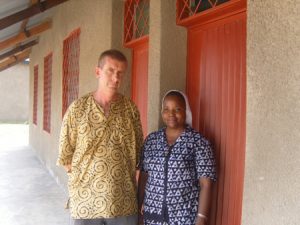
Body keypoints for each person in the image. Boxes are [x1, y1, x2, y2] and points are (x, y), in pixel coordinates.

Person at [57, 49, 144, 225]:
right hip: (86, 203)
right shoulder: (78, 109)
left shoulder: (130, 110)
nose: (116, 78)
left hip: (123, 202)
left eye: (120, 73)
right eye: (110, 71)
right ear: (98, 72)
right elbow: (65, 156)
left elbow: (139, 156)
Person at [138, 90, 217, 225]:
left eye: (177, 109)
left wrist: (201, 218)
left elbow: (206, 184)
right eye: (166, 109)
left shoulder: (198, 142)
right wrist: (138, 209)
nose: (171, 114)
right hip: (153, 217)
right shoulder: (151, 140)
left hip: (184, 218)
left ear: (185, 111)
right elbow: (144, 177)